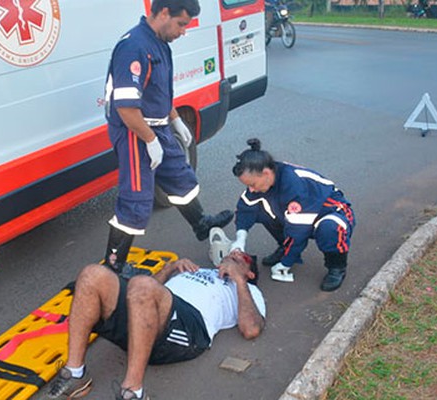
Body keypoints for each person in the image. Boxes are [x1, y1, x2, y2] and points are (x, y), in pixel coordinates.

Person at [103, 0, 233, 273]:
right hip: (133, 131)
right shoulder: (133, 47)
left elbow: (157, 90)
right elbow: (126, 107)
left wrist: (174, 120)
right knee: (136, 200)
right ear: (163, 13)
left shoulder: (159, 41)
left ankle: (201, 224)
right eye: (181, 24)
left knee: (180, 177)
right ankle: (114, 265)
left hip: (157, 126)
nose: (183, 31)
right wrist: (150, 141)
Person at [44, 252, 266, 400]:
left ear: (251, 272)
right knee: (91, 274)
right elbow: (140, 293)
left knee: (141, 284)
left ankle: (133, 391)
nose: (234, 254)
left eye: (242, 257)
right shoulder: (197, 269)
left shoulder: (248, 291)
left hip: (189, 328)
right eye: (231, 253)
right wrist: (170, 269)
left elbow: (251, 329)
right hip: (148, 316)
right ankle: (75, 373)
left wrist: (239, 280)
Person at [229, 138, 356, 291]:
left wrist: (286, 263)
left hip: (331, 211)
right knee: (262, 209)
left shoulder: (293, 185)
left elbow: (298, 232)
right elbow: (245, 208)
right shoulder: (265, 179)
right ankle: (285, 247)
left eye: (252, 184)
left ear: (266, 173)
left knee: (329, 228)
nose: (252, 190)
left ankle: (337, 267)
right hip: (303, 213)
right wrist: (240, 240)